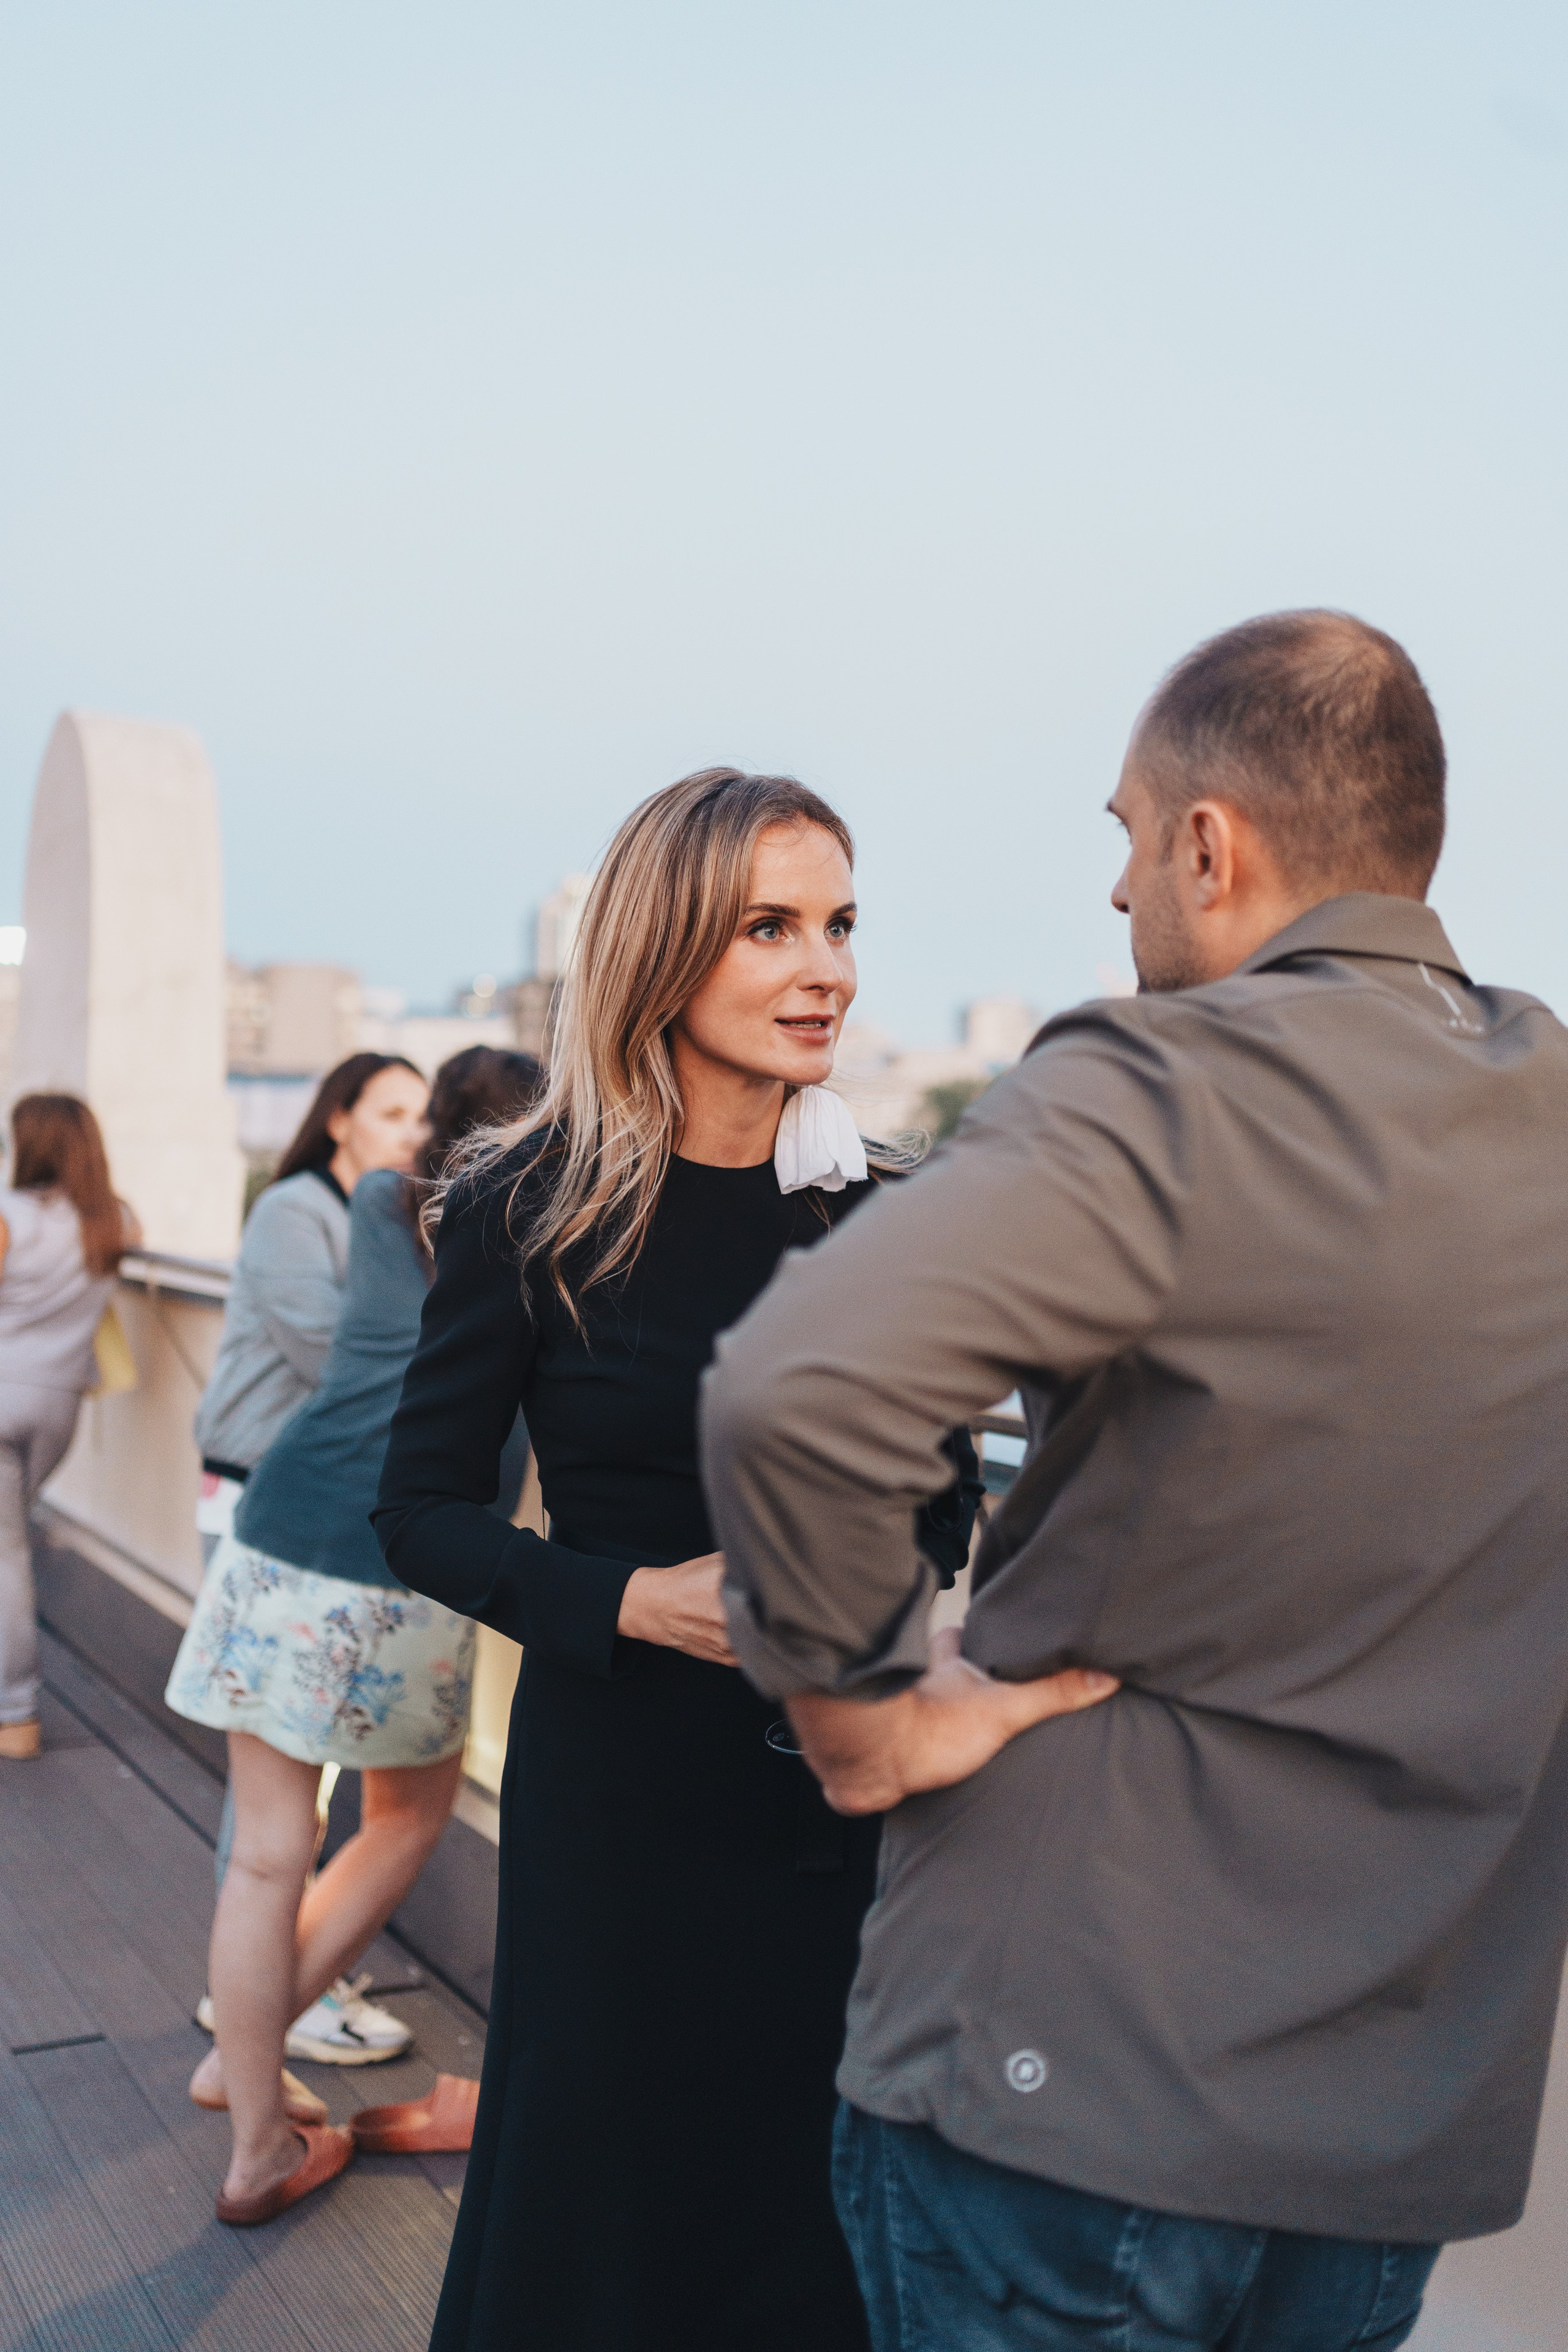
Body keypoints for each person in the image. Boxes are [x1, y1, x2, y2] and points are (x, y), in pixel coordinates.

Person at [703, 612, 1568, 2352]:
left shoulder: (1163, 1083)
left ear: (1206, 843)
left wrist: (867, 1717)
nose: (1115, 897)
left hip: (1073, 2072)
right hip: (1397, 2106)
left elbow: (801, 1389)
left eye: (1121, 836)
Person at [373, 769, 983, 2352]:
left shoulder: (892, 1219)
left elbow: (944, 1513)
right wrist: (630, 1600)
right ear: (665, 950)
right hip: (620, 1801)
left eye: (841, 924)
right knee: (600, 2195)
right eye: (772, 927)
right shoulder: (529, 1202)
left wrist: (874, 1602)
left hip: (831, 1802)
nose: (826, 967)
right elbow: (422, 1508)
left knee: (802, 2208)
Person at [167, 1043, 542, 2225]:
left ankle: (250, 2097)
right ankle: (251, 2097)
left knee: (271, 1851)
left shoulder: (387, 1199)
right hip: (403, 1557)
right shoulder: (540, 1234)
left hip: (278, 1527)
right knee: (402, 1820)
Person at [190, 1048, 432, 2076]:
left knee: (297, 1776)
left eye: (425, 1115)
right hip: (260, 1493)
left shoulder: (373, 1220)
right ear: (339, 1118)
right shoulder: (297, 1209)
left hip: (314, 1511)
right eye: (391, 1112)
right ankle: (267, 2000)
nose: (412, 1133)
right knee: (281, 1787)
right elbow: (340, 1359)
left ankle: (275, 1991)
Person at [0, 1094, 139, 1762]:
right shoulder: (115, 1221)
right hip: (57, 1407)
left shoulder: (9, 1216)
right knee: (7, 1547)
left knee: (7, 1557)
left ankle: (17, 1714)